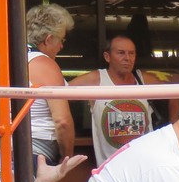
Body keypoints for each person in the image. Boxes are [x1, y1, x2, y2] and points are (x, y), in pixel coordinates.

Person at [0, 3, 76, 162]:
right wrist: (66, 157)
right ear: (48, 39)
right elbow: (62, 122)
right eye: (61, 40)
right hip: (33, 152)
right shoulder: (44, 64)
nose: (62, 46)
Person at [69, 34, 171, 165]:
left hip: (145, 165)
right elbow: (59, 95)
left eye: (131, 53)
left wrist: (172, 129)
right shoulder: (96, 79)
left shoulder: (143, 79)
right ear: (107, 57)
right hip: (110, 168)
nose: (127, 58)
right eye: (121, 53)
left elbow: (177, 92)